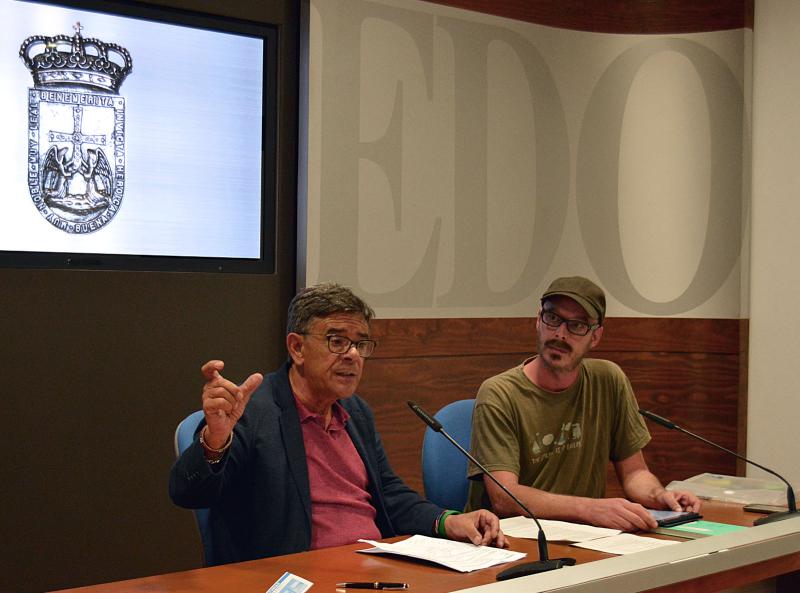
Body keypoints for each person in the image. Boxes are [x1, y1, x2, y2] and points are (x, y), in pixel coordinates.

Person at [170, 282, 506, 565]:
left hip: (373, 566)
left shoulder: (355, 412)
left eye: (360, 344)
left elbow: (388, 493)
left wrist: (448, 521)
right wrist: (214, 441)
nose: (353, 355)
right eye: (337, 341)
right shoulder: (256, 412)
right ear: (297, 347)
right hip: (297, 575)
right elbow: (189, 493)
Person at [464, 276, 700, 531]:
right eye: (552, 318)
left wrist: (659, 496)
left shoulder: (608, 380)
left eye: (577, 325)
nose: (560, 334)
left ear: (595, 336)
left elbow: (634, 473)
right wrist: (590, 509)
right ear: (538, 320)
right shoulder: (499, 394)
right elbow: (504, 497)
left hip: (587, 534)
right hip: (515, 537)